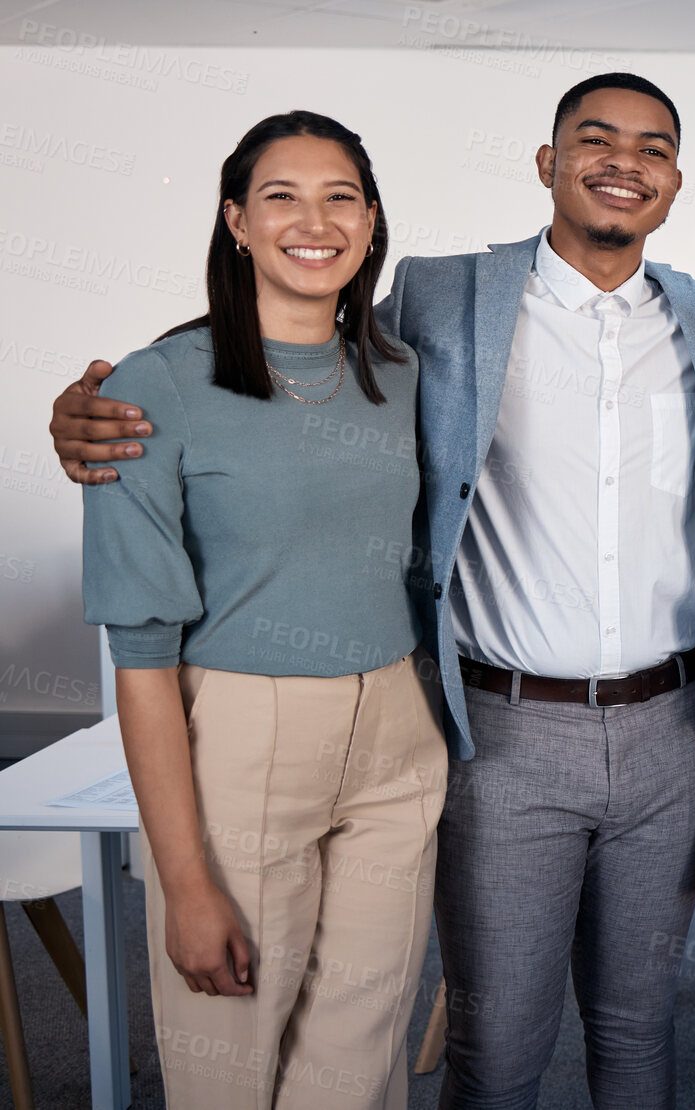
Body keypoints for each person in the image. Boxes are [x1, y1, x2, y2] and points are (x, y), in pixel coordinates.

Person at [53, 74, 695, 1109]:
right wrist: (86, 416)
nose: (622, 160)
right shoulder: (439, 300)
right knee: (483, 1041)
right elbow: (272, 339)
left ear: (677, 181)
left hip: (622, 729)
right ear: (547, 164)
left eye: (652, 146)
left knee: (536, 1038)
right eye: (593, 138)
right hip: (492, 727)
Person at [81, 110, 442, 1107]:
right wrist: (185, 884)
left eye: (340, 196)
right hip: (242, 737)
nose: (313, 219)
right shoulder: (154, 390)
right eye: (281, 195)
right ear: (236, 221)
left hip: (400, 741)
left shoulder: (407, 375)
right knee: (225, 1068)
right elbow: (142, 661)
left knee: (358, 1064)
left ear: (371, 221)